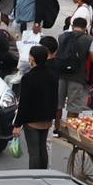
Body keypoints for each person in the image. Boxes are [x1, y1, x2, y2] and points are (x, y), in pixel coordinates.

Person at [15, 41, 60, 169]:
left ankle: (34, 178)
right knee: (42, 149)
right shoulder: (52, 75)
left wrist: (17, 124)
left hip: (32, 120)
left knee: (34, 152)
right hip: (46, 118)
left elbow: (24, 103)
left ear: (32, 58)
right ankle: (43, 175)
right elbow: (55, 98)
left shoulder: (29, 77)